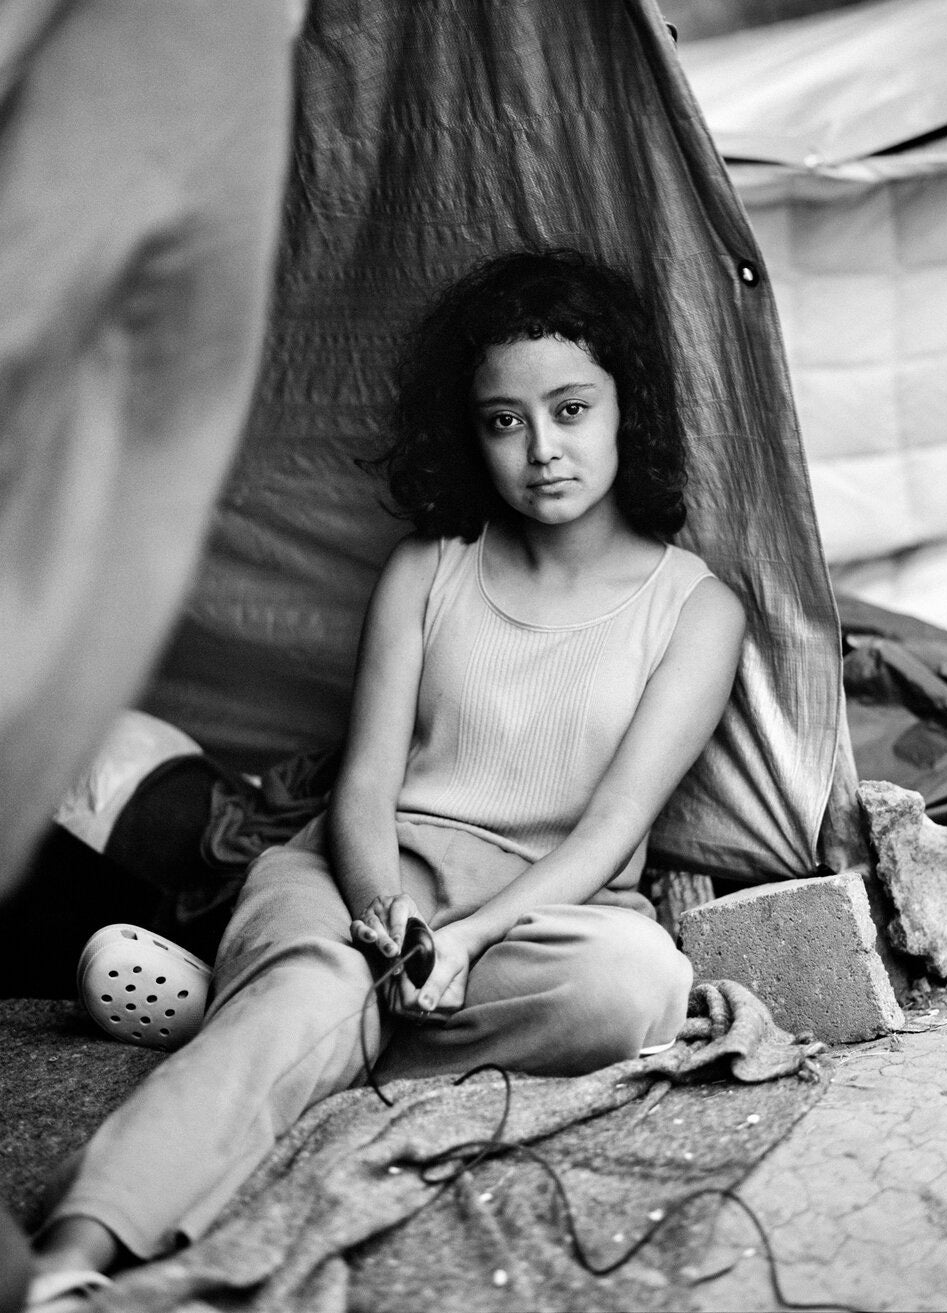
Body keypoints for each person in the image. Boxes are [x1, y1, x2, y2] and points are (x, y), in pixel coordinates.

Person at [28, 248, 745, 1305]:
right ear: (473, 432)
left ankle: (257, 1026)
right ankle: (70, 1258)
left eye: (571, 408)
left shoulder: (697, 609)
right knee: (324, 978)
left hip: (539, 911)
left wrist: (463, 940)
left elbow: (611, 828)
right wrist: (391, 919)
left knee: (640, 984)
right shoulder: (428, 566)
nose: (543, 448)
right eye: (506, 420)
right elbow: (362, 787)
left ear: (625, 406)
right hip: (362, 877)